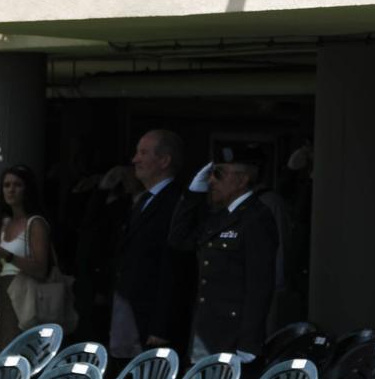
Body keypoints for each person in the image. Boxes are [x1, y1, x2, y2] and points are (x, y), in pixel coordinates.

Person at [169, 141, 279, 361]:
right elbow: (179, 239)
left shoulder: (256, 218)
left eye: (218, 174)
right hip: (206, 330)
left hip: (232, 335)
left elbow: (259, 285)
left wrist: (249, 342)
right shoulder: (220, 217)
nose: (211, 181)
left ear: (242, 179)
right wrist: (194, 192)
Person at [111, 129, 191, 358]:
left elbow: (175, 266)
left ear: (164, 160)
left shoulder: (177, 203)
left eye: (143, 153)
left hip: (151, 324)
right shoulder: (143, 200)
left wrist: (161, 326)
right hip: (129, 315)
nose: (135, 159)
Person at [0, 163, 53, 350]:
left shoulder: (35, 223)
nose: (11, 190)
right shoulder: (3, 224)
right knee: (4, 348)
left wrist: (8, 255)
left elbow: (41, 269)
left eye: (17, 185)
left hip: (26, 295)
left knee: (24, 350)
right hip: (5, 293)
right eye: (6, 185)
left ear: (27, 189)